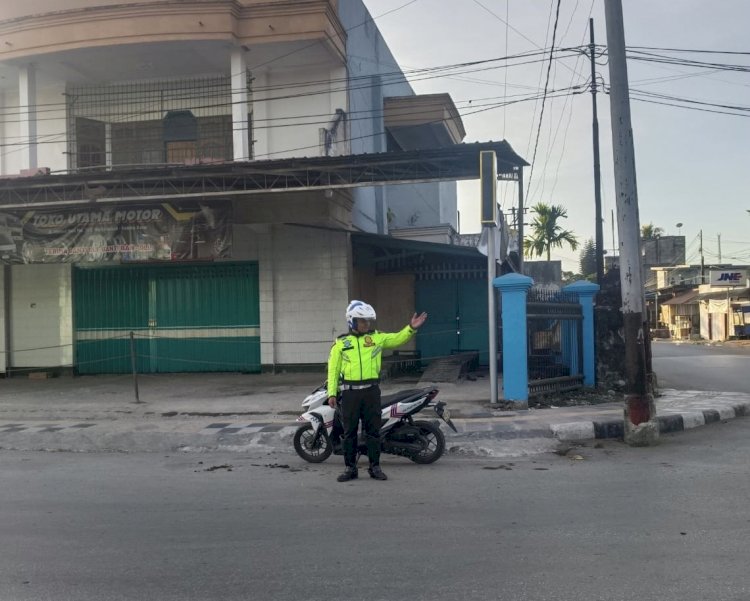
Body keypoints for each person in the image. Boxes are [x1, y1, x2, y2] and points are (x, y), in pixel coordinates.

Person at [327, 300, 428, 482]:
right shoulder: (341, 343)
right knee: (349, 433)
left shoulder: (376, 338)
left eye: (368, 321)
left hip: (371, 392)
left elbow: (397, 338)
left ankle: (375, 467)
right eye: (362, 321)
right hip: (350, 394)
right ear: (352, 321)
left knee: (373, 432)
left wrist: (411, 328)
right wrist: (332, 393)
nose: (366, 324)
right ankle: (350, 468)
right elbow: (333, 370)